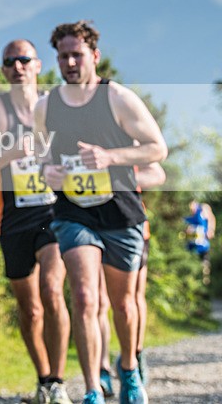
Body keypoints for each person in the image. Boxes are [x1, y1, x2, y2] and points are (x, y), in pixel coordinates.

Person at [34, 20, 168, 404]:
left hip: (121, 211)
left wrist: (110, 157)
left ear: (94, 56)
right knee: (85, 297)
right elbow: (42, 156)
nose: (70, 62)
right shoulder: (47, 106)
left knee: (125, 305)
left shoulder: (118, 98)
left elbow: (156, 149)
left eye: (77, 55)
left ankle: (128, 368)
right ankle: (92, 387)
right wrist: (49, 171)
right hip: (73, 213)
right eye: (63, 56)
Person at [0, 39, 72, 404]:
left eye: (24, 59)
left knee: (51, 289)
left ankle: (58, 382)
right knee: (30, 307)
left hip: (53, 211)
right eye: (9, 61)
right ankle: (44, 377)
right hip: (13, 215)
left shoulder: (58, 106)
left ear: (38, 66)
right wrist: (10, 152)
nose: (17, 66)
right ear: (3, 70)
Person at [98, 163, 166, 396]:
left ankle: (135, 356)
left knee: (134, 298)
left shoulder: (128, 136)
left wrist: (121, 176)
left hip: (131, 223)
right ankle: (101, 368)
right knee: (97, 299)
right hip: (91, 221)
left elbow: (157, 173)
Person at [185, 200, 216, 285]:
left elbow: (211, 218)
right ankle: (191, 281)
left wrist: (211, 230)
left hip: (203, 240)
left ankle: (205, 281)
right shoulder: (186, 209)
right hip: (192, 240)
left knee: (205, 260)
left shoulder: (203, 207)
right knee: (189, 259)